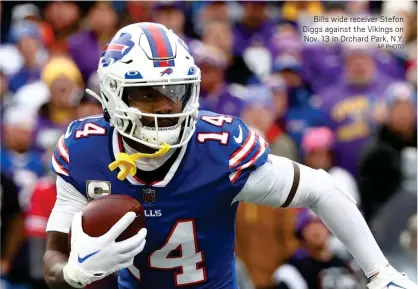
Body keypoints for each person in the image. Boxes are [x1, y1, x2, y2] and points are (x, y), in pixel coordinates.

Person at [43, 22, 417, 289]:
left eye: (175, 91)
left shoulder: (219, 149)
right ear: (113, 94)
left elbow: (319, 189)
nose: (166, 106)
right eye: (148, 94)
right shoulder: (85, 150)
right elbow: (53, 258)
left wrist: (379, 273)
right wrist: (73, 273)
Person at [272, 209, 360, 289]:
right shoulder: (291, 270)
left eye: (320, 224)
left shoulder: (346, 263)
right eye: (308, 226)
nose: (316, 230)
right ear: (301, 236)